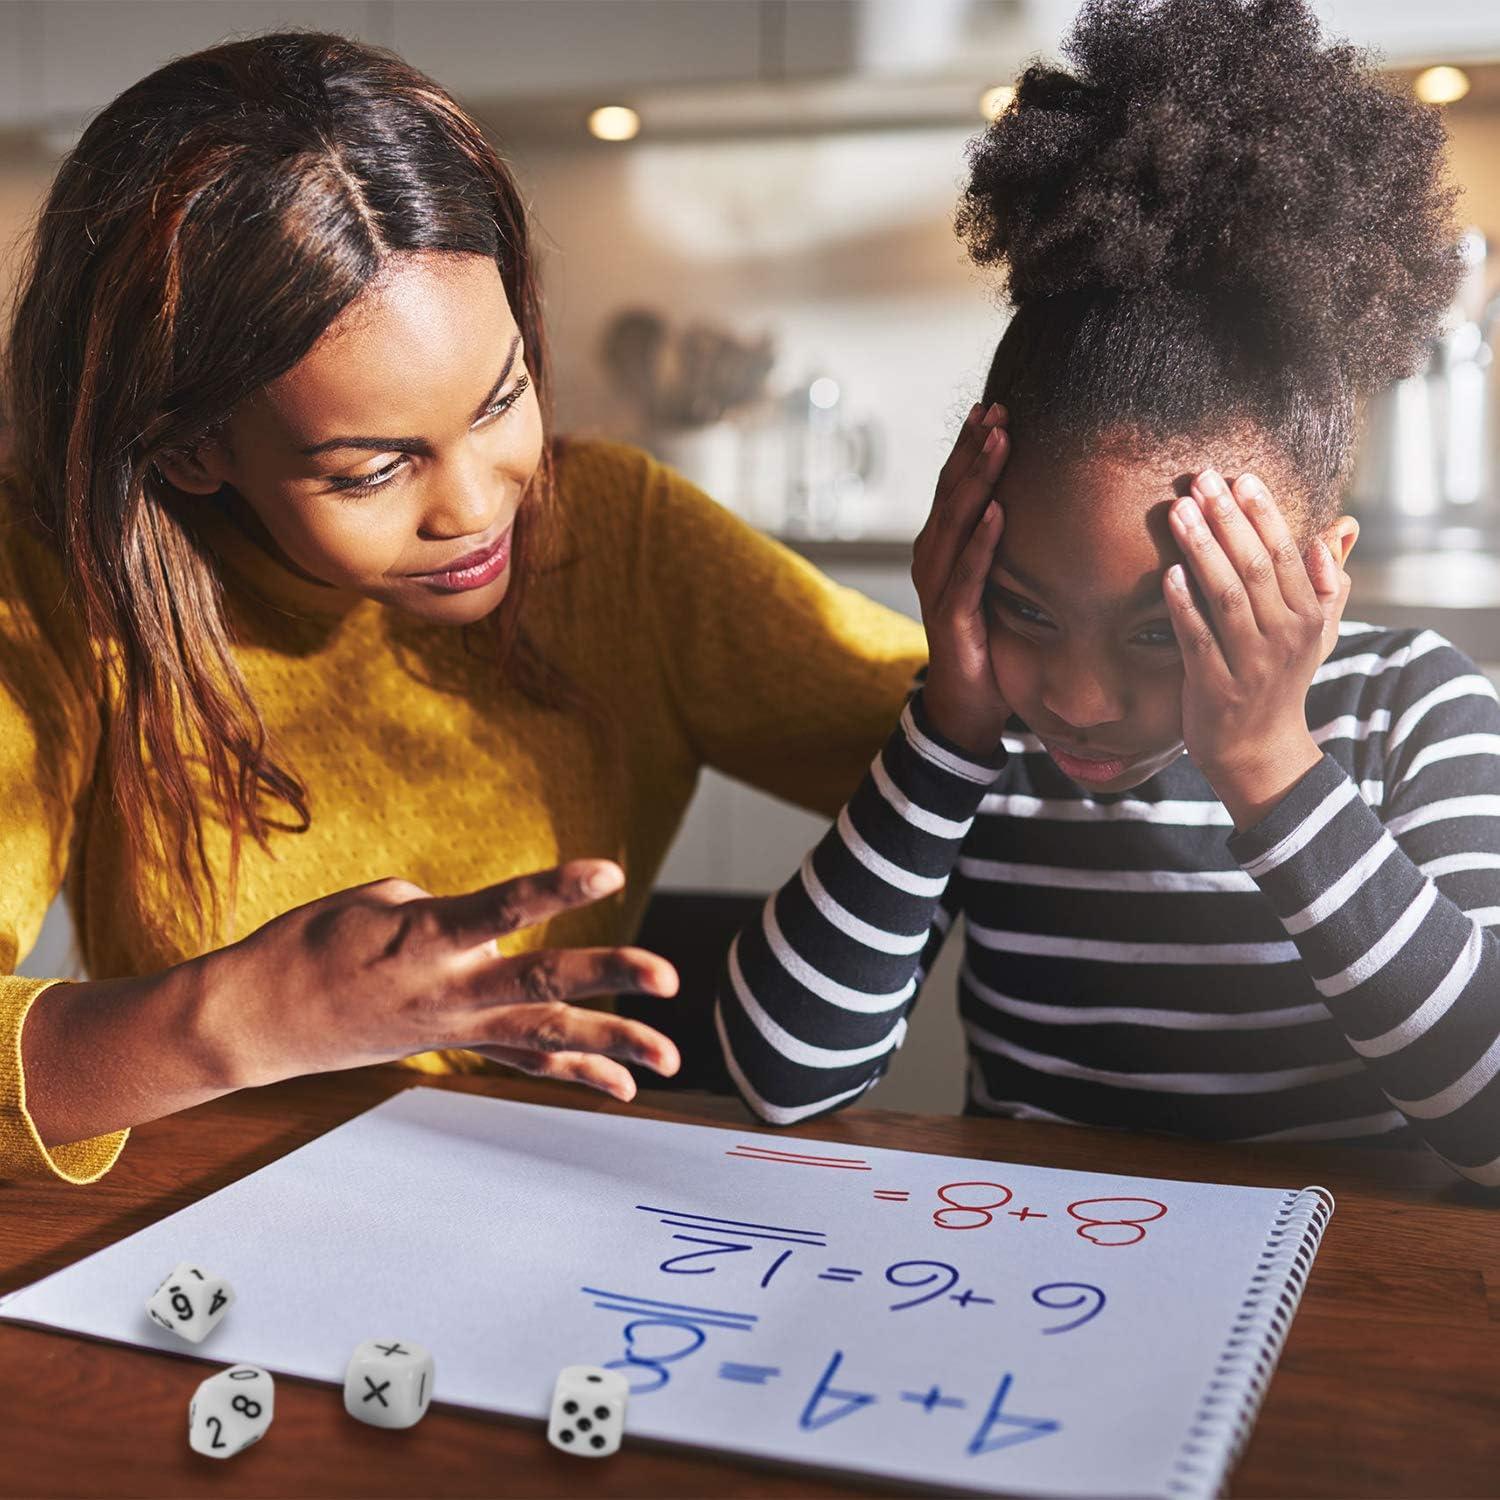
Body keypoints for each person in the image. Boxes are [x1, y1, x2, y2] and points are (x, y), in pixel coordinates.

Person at [0, 32, 925, 1184]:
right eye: (372, 469)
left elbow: (997, 759)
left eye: (503, 399)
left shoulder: (619, 536)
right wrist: (243, 1021)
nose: (481, 507)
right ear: (190, 452)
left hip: (547, 1207)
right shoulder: (49, 588)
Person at [716, 0, 1500, 1185]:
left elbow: (1488, 1119)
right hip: (1032, 1284)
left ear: (1321, 575)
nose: (1077, 699)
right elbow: (780, 1074)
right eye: (1028, 608)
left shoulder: (1415, 713)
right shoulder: (980, 739)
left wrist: (1270, 769)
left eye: (1164, 628)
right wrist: (951, 729)